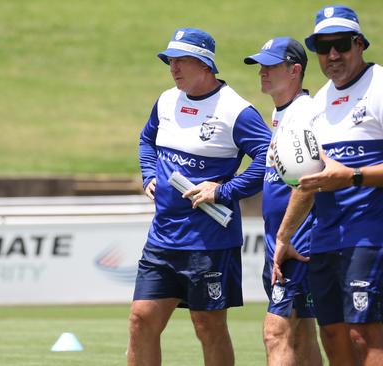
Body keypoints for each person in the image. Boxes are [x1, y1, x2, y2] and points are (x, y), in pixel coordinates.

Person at [273, 5, 383, 366]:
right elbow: (308, 182)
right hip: (325, 239)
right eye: (322, 47)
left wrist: (354, 176)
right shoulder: (318, 104)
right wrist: (285, 236)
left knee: (364, 335)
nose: (332, 55)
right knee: (333, 335)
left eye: (341, 44)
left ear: (359, 44)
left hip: (369, 236)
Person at [128, 28, 271, 366]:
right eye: (170, 61)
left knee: (207, 326)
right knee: (141, 320)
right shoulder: (165, 100)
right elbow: (147, 140)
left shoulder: (236, 110)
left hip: (209, 242)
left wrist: (223, 190)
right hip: (163, 237)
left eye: (181, 61)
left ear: (205, 64)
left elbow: (269, 156)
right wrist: (149, 174)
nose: (173, 68)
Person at [243, 37, 322, 366]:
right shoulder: (282, 114)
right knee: (303, 332)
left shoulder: (305, 114)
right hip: (286, 237)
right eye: (261, 65)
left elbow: (309, 184)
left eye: (271, 66)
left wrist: (285, 237)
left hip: (296, 239)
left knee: (276, 332)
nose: (262, 71)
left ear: (295, 70)